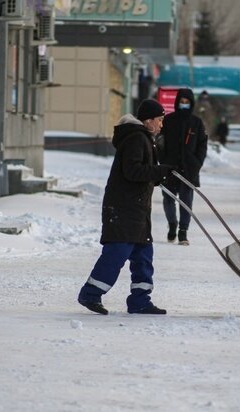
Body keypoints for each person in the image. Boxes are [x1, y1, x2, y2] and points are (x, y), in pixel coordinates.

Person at [77, 99, 175, 315]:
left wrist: (160, 175)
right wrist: (160, 171)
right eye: (159, 120)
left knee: (143, 256)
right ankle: (90, 294)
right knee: (116, 253)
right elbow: (133, 171)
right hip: (123, 209)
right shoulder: (135, 139)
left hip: (136, 210)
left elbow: (142, 172)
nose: (161, 125)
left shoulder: (144, 138)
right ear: (148, 120)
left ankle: (140, 300)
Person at [158, 88, 208, 246]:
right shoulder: (168, 120)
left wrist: (197, 162)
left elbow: (202, 145)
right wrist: (163, 160)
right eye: (182, 102)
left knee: (186, 201)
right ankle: (172, 224)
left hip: (189, 169)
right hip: (169, 167)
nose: (184, 104)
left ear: (191, 103)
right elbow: (160, 142)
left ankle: (183, 231)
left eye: (187, 102)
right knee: (168, 200)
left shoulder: (196, 122)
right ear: (177, 102)